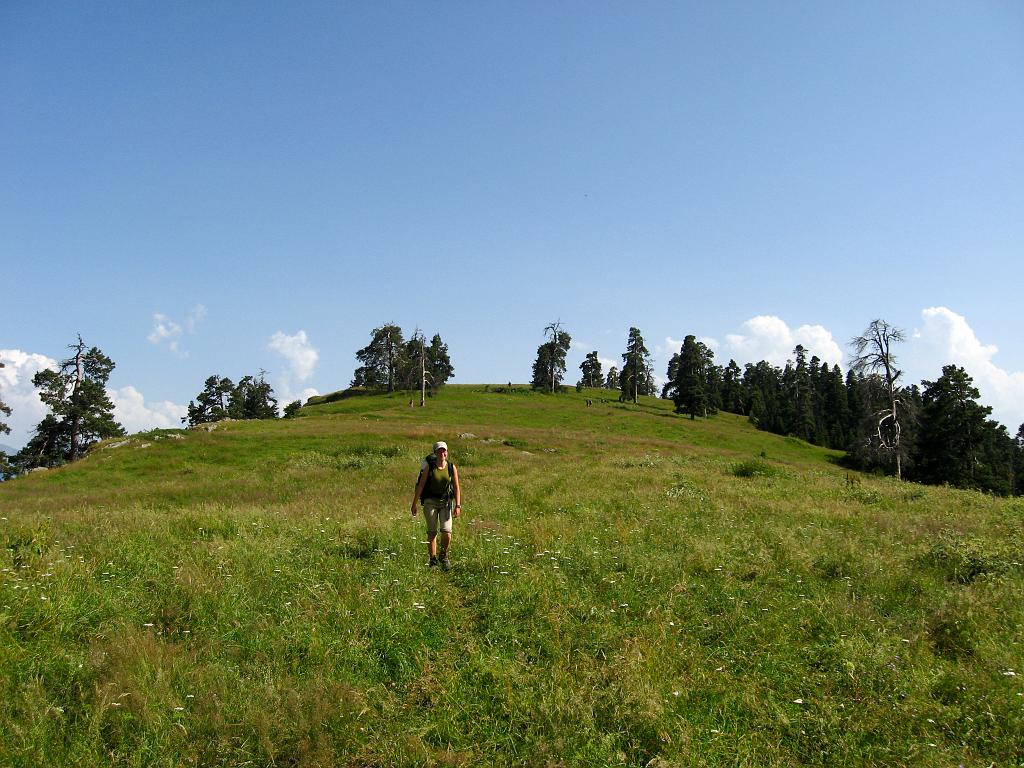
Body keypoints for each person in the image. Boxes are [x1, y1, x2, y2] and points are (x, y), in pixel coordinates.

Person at [411, 441, 462, 570]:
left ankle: (443, 556)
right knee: (432, 532)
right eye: (439, 451)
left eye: (444, 451)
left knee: (447, 532)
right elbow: (421, 485)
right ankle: (433, 560)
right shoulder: (430, 467)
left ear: (447, 452)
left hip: (446, 503)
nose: (442, 453)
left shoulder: (451, 467)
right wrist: (414, 503)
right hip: (430, 503)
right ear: (435, 453)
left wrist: (458, 505)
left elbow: (456, 487)